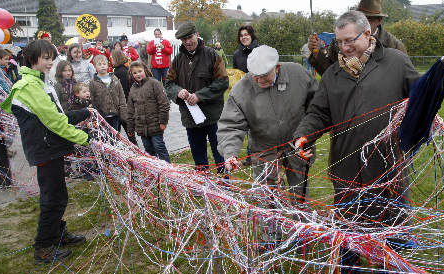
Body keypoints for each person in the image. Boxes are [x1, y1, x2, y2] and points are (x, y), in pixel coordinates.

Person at [293, 11, 419, 274]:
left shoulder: (396, 62)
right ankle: (349, 270)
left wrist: (418, 126)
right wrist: (304, 135)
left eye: (349, 40)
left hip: (388, 161)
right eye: (339, 42)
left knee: (391, 220)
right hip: (346, 163)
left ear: (367, 34)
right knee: (348, 220)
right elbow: (318, 112)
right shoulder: (334, 74)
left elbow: (419, 100)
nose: (344, 47)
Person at [0, 39, 90, 264]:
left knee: (58, 196)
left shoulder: (40, 82)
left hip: (50, 147)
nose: (50, 62)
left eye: (52, 57)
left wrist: (84, 113)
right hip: (44, 149)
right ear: (33, 59)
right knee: (52, 198)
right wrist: (84, 138)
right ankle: (44, 248)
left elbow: (57, 116)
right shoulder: (29, 86)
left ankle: (57, 234)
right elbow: (53, 122)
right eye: (46, 58)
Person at [218, 45, 318, 205]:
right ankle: (272, 230)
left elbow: (316, 106)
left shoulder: (297, 74)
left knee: (300, 195)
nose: (258, 80)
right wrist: (230, 152)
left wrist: (307, 136)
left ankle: (300, 226)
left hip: (297, 147)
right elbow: (231, 124)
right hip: (264, 150)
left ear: (277, 67)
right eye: (255, 76)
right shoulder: (242, 89)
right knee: (268, 199)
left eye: (263, 76)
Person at [165, 22, 228, 173]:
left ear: (197, 34)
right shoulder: (178, 60)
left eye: (190, 37)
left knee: (219, 152)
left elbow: (222, 82)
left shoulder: (212, 55)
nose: (187, 42)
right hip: (190, 117)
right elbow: (168, 83)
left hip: (213, 116)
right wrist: (178, 91)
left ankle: (225, 184)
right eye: (183, 39)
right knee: (198, 155)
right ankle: (202, 182)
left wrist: (200, 96)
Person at [308, 0, 407, 76]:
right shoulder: (338, 43)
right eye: (360, 18)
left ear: (379, 20)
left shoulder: (395, 46)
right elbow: (329, 74)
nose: (364, 23)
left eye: (369, 19)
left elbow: (403, 80)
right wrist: (317, 53)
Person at [127, 60, 170, 162]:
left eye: (140, 71)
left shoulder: (154, 83)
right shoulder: (132, 89)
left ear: (145, 70)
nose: (138, 74)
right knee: (149, 150)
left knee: (159, 147)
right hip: (142, 127)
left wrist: (163, 121)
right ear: (131, 75)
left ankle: (167, 169)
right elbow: (130, 110)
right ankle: (154, 171)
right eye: (135, 73)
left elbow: (164, 104)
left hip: (155, 124)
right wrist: (130, 128)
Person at [89, 55, 127, 131]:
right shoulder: (93, 82)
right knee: (106, 136)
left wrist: (123, 110)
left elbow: (121, 95)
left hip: (115, 113)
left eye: (104, 64)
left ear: (107, 65)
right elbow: (92, 98)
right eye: (99, 64)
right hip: (102, 115)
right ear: (95, 66)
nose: (102, 66)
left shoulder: (114, 78)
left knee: (116, 134)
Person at [111, 49, 137, 145]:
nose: (111, 61)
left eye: (112, 59)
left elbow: (123, 89)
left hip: (123, 104)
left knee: (125, 129)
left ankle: (135, 148)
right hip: (125, 103)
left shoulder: (120, 72)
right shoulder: (123, 69)